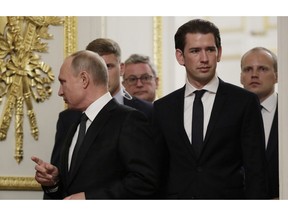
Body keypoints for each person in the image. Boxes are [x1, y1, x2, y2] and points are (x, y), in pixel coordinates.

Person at [152, 19, 268, 199]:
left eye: (210, 50)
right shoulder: (163, 108)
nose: (204, 59)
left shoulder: (244, 102)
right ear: (180, 56)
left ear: (219, 53)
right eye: (195, 51)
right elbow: (157, 170)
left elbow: (257, 170)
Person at [31, 50, 160, 199]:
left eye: (63, 82)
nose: (60, 92)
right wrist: (54, 182)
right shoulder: (72, 121)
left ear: (84, 79)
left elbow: (145, 181)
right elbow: (72, 187)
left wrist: (89, 198)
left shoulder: (129, 119)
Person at [50, 38, 153, 171]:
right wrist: (53, 182)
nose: (102, 73)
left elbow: (147, 176)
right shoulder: (68, 118)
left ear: (121, 68)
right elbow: (62, 172)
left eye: (108, 66)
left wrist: (89, 194)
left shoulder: (146, 112)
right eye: (97, 67)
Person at [240, 47, 278, 199]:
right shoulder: (228, 114)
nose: (254, 75)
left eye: (262, 69)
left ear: (276, 75)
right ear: (241, 77)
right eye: (248, 69)